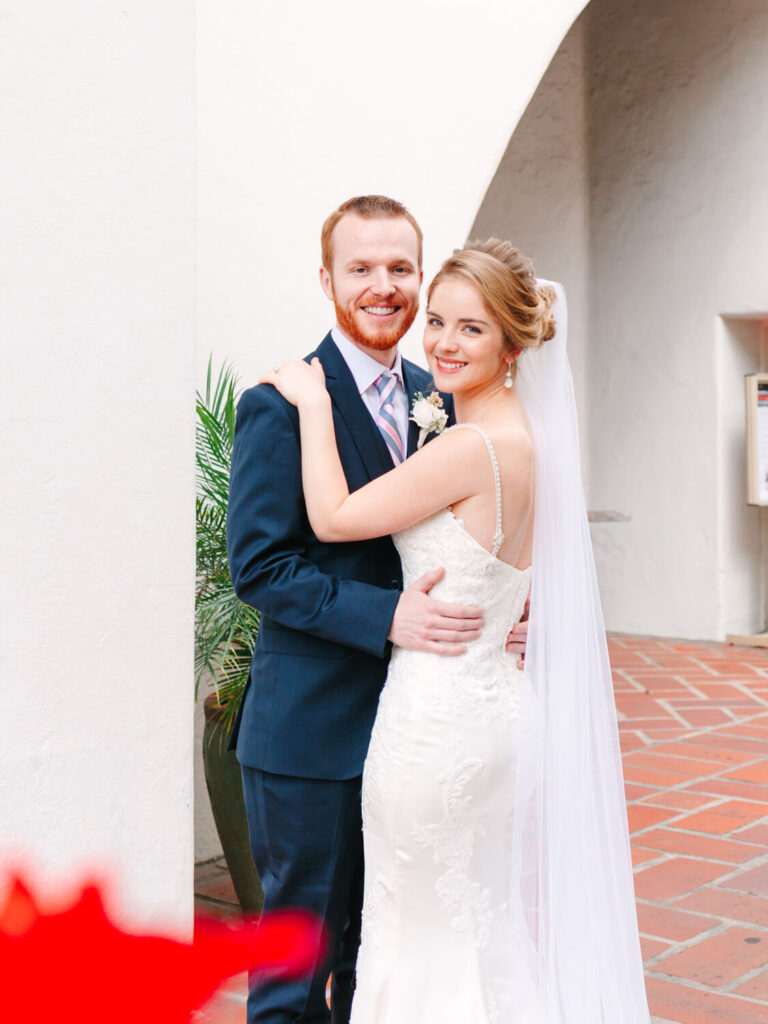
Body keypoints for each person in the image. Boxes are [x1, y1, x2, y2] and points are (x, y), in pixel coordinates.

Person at [262, 240, 650, 1023]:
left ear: (512, 345)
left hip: (437, 725)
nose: (440, 342)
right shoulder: (527, 441)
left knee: (415, 937)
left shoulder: (474, 444)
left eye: (470, 329)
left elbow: (335, 519)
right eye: (436, 322)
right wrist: (523, 616)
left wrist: (310, 406)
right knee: (477, 930)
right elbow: (526, 575)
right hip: (495, 712)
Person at [227, 196, 504, 1024]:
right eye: (361, 268)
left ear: (419, 275)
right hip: (310, 731)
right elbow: (261, 567)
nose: (383, 287)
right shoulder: (279, 404)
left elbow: (461, 536)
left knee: (375, 952)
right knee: (295, 971)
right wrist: (386, 618)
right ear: (327, 279)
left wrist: (498, 609)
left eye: (399, 268)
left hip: (413, 732)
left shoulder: (443, 395)